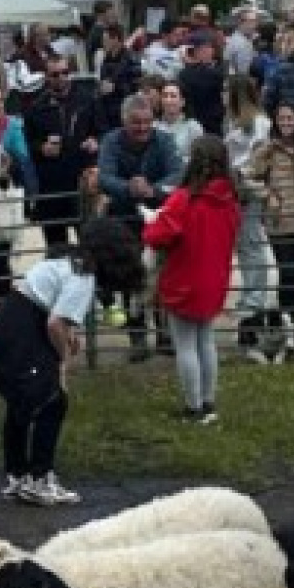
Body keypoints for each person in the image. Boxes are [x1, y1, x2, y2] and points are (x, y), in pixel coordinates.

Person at [0, 218, 144, 505]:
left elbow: (53, 312)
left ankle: (19, 476)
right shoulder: (85, 276)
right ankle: (40, 479)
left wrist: (68, 337)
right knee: (53, 400)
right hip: (21, 332)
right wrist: (62, 362)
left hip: (5, 327)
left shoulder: (66, 259)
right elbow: (56, 324)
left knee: (22, 401)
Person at [142, 135, 242, 423]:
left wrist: (151, 223)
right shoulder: (230, 200)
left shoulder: (184, 199)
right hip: (215, 277)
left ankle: (193, 406)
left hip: (184, 278)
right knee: (206, 341)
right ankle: (209, 401)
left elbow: (158, 235)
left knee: (185, 345)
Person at [96, 94, 185, 358]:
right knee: (129, 278)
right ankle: (137, 338)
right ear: (125, 121)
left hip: (160, 218)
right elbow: (104, 177)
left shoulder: (164, 140)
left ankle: (164, 334)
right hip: (124, 219)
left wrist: (153, 190)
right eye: (137, 123)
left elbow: (178, 173)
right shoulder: (111, 141)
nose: (143, 127)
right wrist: (129, 187)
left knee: (162, 275)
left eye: (147, 122)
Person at [244, 100, 294, 362]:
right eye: (282, 118)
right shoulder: (266, 149)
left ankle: (291, 328)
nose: (286, 123)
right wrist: (267, 195)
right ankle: (284, 329)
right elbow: (247, 177)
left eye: (291, 118)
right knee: (288, 274)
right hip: (280, 223)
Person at [23, 53, 105, 250]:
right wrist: (42, 148)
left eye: (64, 73)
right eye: (55, 74)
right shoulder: (36, 107)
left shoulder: (87, 100)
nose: (60, 78)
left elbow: (103, 131)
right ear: (46, 76)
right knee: (56, 248)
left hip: (82, 181)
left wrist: (96, 142)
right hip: (52, 185)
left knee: (90, 243)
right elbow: (29, 143)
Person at [222, 76, 276, 359]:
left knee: (252, 249)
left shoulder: (260, 124)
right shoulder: (232, 123)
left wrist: (240, 176)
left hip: (251, 192)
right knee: (246, 250)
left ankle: (253, 307)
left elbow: (259, 158)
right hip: (235, 191)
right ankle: (249, 304)